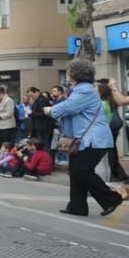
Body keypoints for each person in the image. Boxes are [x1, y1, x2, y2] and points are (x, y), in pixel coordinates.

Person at [44, 58, 123, 217]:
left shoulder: (84, 90)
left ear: (75, 74)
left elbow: (68, 108)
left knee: (81, 170)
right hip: (84, 140)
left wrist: (50, 110)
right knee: (75, 171)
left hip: (94, 139)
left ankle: (111, 198)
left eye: (68, 72)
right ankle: (77, 206)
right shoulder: (81, 89)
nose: (66, 74)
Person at [98, 80, 129, 182]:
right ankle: (118, 173)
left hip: (110, 127)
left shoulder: (103, 102)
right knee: (112, 150)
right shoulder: (109, 100)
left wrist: (114, 88)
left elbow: (123, 101)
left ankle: (115, 173)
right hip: (115, 126)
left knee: (110, 151)